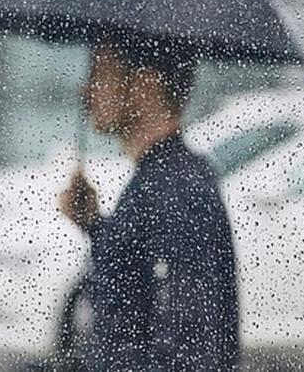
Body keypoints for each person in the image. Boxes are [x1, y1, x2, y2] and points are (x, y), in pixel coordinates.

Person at [60, 32, 240, 371]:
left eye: (100, 75)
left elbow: (189, 341)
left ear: (145, 84)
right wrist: (95, 226)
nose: (85, 93)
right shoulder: (159, 179)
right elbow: (134, 291)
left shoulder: (177, 188)